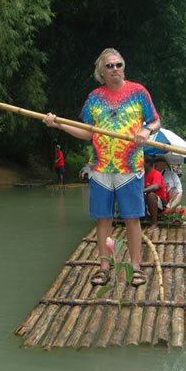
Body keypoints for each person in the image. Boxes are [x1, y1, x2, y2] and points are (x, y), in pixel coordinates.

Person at [43, 48, 160, 287]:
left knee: (132, 218)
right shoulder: (94, 97)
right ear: (101, 72)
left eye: (119, 65)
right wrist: (59, 125)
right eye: (110, 66)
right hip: (100, 168)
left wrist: (146, 131)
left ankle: (135, 267)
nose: (115, 69)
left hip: (130, 168)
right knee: (103, 219)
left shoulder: (139, 92)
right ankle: (104, 267)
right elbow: (88, 132)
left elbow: (155, 120)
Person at [143, 155, 168, 231]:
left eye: (142, 162)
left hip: (159, 204)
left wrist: (142, 191)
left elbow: (156, 186)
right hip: (145, 202)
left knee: (150, 195)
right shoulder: (142, 175)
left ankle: (154, 223)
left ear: (147, 164)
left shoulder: (156, 173)